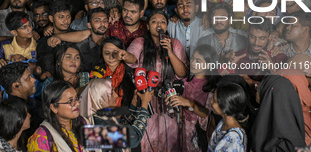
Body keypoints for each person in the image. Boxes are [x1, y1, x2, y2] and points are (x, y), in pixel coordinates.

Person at [125, 10, 188, 151]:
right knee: (148, 137)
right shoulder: (140, 42)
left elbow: (182, 73)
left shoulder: (174, 43)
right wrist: (124, 55)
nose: (158, 25)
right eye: (154, 22)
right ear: (147, 26)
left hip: (168, 99)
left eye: (162, 22)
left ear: (167, 26)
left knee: (169, 138)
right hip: (146, 99)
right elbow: (132, 59)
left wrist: (170, 52)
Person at [167, 45, 219, 152]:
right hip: (182, 131)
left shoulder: (211, 88)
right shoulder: (184, 82)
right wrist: (172, 101)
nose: (194, 63)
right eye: (193, 59)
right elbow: (179, 110)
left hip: (198, 134)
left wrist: (190, 104)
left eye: (198, 61)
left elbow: (207, 115)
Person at [79, 78, 153, 152]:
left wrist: (134, 104)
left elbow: (124, 126)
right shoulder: (99, 128)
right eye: (111, 93)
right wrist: (144, 105)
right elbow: (134, 136)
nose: (116, 95)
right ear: (100, 99)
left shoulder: (99, 119)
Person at [27, 80, 86, 152]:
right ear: (54, 108)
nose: (77, 104)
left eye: (76, 98)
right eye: (70, 101)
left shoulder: (84, 122)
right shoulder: (41, 136)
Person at [251, 75, 306, 152]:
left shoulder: (287, 146)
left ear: (269, 92)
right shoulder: (268, 115)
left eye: (260, 86)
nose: (256, 89)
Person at [90, 37, 134, 107]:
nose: (111, 57)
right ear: (102, 54)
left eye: (115, 53)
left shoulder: (130, 74)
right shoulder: (96, 72)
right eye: (107, 53)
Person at [208, 83, 249, 152]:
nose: (211, 101)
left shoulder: (234, 138)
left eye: (214, 100)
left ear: (225, 106)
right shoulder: (223, 122)